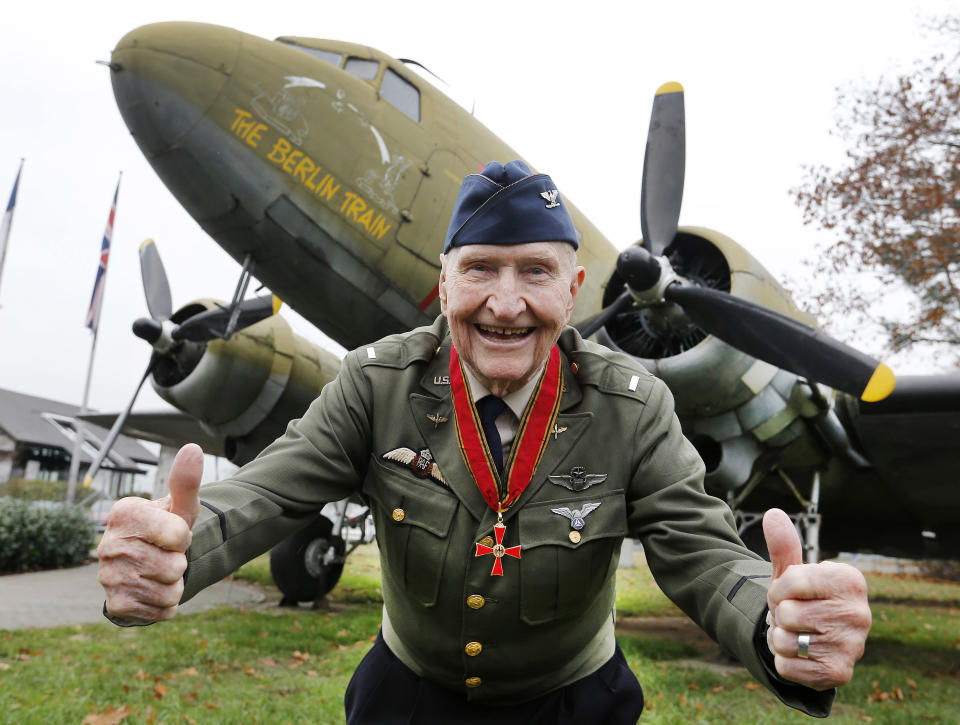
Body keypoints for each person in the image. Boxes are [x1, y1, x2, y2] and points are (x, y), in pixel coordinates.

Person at [98, 160, 870, 723]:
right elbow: (267, 491)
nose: (506, 303)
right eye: (480, 271)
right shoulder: (376, 383)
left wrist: (776, 625)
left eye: (535, 271)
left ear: (572, 291)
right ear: (445, 285)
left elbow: (702, 553)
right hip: (405, 698)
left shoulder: (634, 406)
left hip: (575, 704)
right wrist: (177, 549)